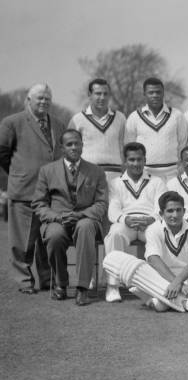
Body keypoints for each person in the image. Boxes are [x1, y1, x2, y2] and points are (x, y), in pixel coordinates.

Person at [103, 191, 188, 314]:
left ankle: (160, 300)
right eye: (170, 211)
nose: (175, 215)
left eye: (178, 210)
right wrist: (178, 284)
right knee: (144, 268)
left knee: (161, 305)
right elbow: (153, 259)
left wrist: (179, 282)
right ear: (161, 214)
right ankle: (187, 302)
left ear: (184, 211)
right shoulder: (153, 229)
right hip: (163, 278)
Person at [0, 83, 65, 294]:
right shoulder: (12, 122)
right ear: (28, 100)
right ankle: (24, 281)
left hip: (50, 193)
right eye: (39, 98)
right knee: (22, 241)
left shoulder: (58, 124)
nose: (44, 102)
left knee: (47, 237)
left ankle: (47, 279)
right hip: (23, 190)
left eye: (47, 98)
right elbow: (3, 153)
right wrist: (20, 173)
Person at [31, 129, 108, 306]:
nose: (74, 147)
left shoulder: (96, 171)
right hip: (58, 220)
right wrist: (57, 217)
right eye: (69, 144)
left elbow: (102, 204)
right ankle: (61, 283)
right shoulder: (47, 171)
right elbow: (39, 203)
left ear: (82, 145)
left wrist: (80, 215)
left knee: (85, 227)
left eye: (77, 143)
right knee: (54, 235)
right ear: (61, 148)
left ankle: (82, 288)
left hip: (86, 219)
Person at [103, 142, 166, 302]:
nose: (136, 164)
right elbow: (114, 209)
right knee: (115, 234)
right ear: (125, 162)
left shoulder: (157, 181)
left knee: (159, 234)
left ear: (145, 160)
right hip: (126, 222)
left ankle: (157, 285)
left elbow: (161, 206)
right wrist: (126, 219)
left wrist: (151, 218)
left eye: (139, 159)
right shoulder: (115, 182)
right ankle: (113, 286)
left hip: (150, 222)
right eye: (131, 160)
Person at [125, 77, 188, 182]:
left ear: (163, 93)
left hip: (171, 174)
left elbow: (183, 143)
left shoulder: (177, 116)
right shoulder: (134, 117)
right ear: (144, 94)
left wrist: (179, 166)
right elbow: (129, 145)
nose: (155, 95)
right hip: (144, 173)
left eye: (158, 92)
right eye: (151, 92)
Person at [68, 78, 126, 183]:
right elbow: (69, 151)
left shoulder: (120, 118)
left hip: (116, 176)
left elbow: (124, 147)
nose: (102, 98)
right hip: (87, 176)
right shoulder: (77, 120)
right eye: (98, 94)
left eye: (105, 94)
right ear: (89, 95)